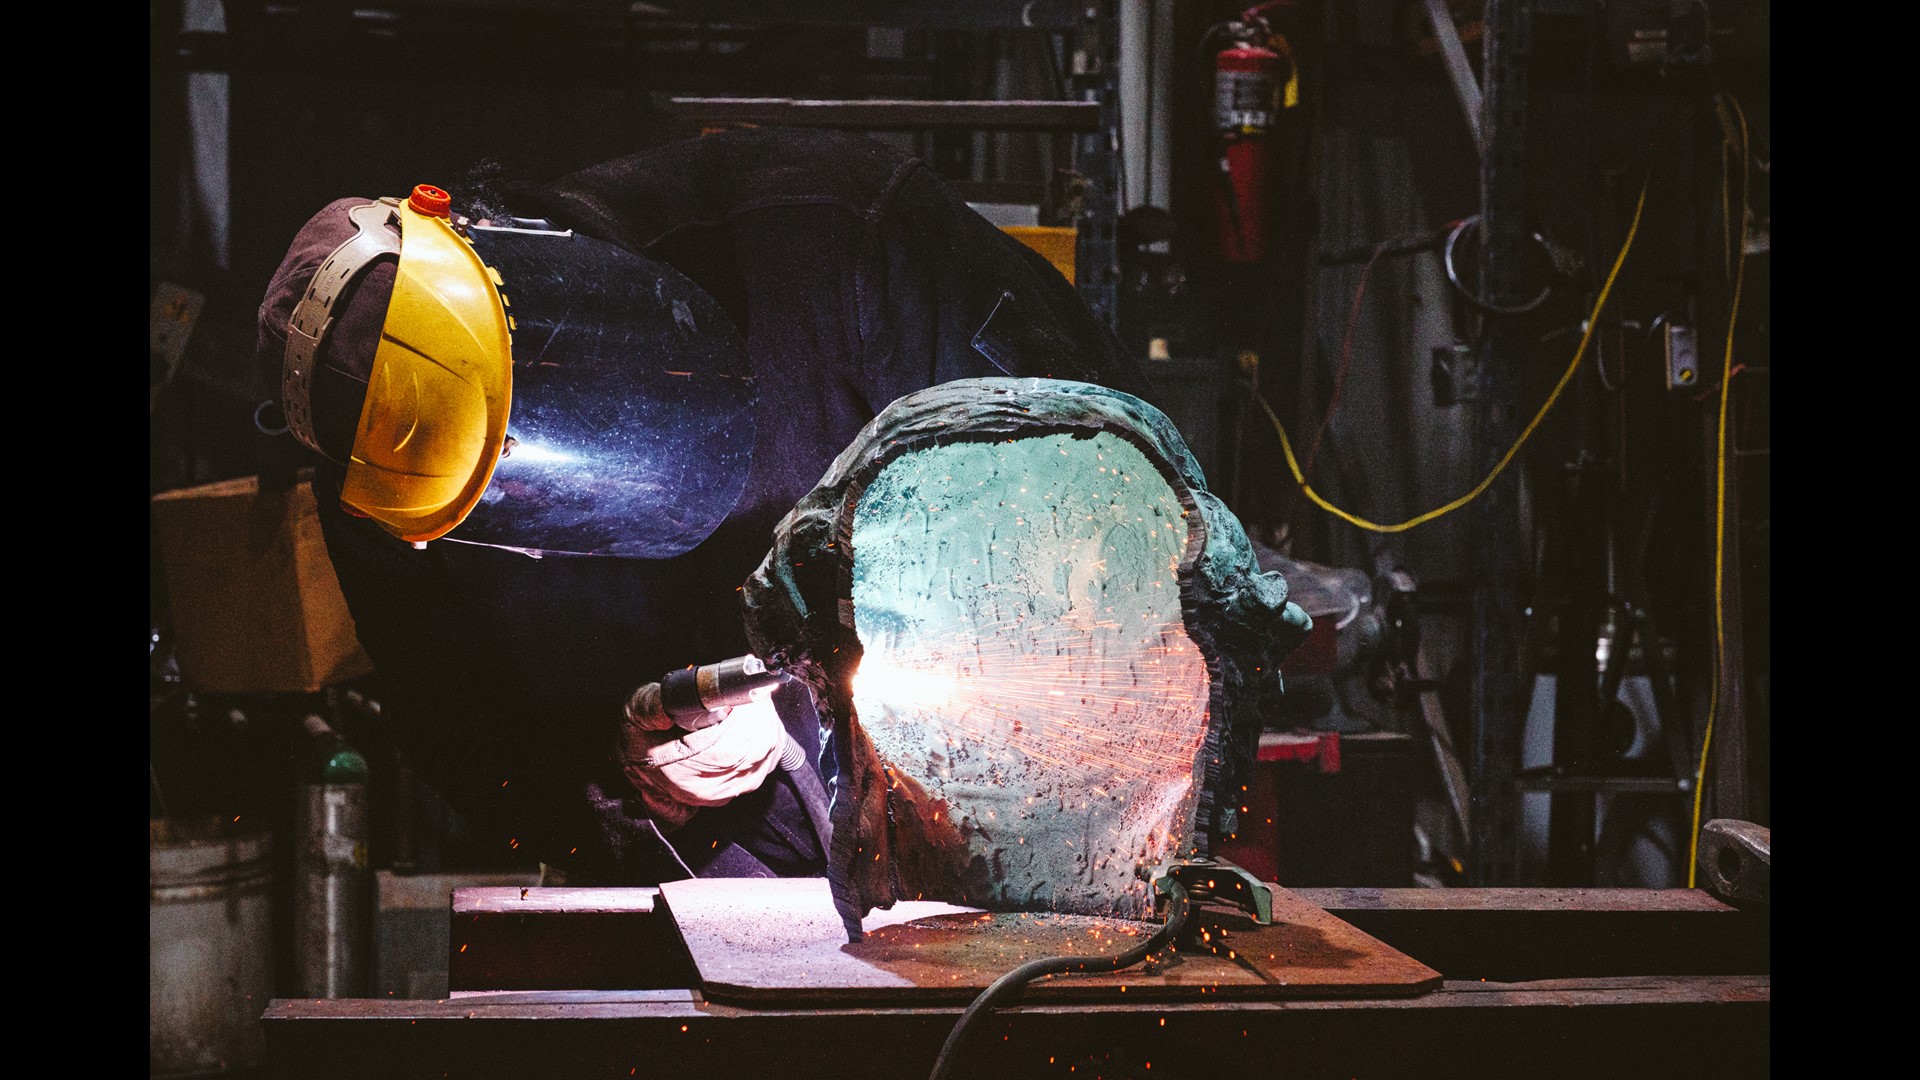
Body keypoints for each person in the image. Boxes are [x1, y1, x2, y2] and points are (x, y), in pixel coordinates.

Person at [255, 126, 1153, 885]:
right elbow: (480, 758)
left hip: (1022, 835)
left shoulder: (836, 238)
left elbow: (1113, 493)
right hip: (737, 915)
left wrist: (892, 651)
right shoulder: (383, 498)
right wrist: (627, 778)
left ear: (511, 257)